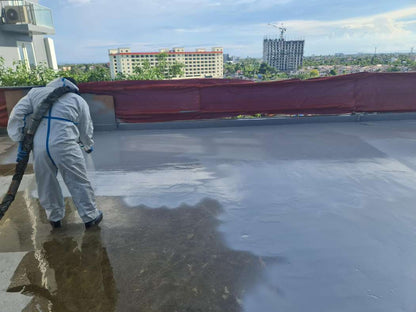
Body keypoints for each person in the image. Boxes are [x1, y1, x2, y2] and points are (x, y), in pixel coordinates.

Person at [7, 77, 103, 229]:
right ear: (74, 87)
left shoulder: (35, 93)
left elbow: (16, 114)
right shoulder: (77, 100)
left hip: (39, 146)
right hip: (65, 144)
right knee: (78, 180)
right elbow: (86, 127)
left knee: (46, 182)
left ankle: (54, 217)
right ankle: (90, 216)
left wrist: (19, 136)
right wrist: (87, 145)